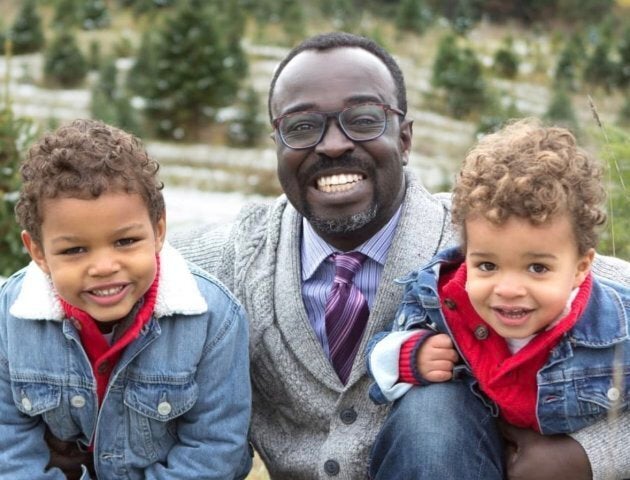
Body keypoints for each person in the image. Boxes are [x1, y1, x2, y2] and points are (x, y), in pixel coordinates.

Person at [170, 33, 630, 479]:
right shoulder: (229, 261)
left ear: (405, 139)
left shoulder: (489, 240)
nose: (333, 145)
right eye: (302, 127)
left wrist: (590, 456)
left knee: (436, 408)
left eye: (364, 119)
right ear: (277, 145)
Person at [368, 118, 630, 479]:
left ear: (581, 268)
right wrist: (410, 355)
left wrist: (591, 457)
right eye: (488, 265)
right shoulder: (442, 301)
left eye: (537, 268)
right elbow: (380, 350)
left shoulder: (615, 329)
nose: (508, 289)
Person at [0, 119, 251, 479]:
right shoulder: (10, 315)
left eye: (126, 242)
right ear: (38, 252)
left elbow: (214, 450)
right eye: (74, 249)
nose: (104, 267)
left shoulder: (213, 317)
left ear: (158, 230)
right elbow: (8, 444)